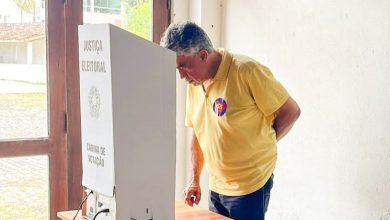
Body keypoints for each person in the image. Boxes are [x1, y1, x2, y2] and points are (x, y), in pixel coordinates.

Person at [160, 21, 301, 220]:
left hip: (249, 186)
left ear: (202, 55)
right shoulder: (195, 83)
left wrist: (264, 142)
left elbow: (291, 111)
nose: (181, 75)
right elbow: (198, 132)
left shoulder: (246, 71)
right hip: (217, 186)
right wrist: (194, 180)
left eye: (184, 66)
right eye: (178, 69)